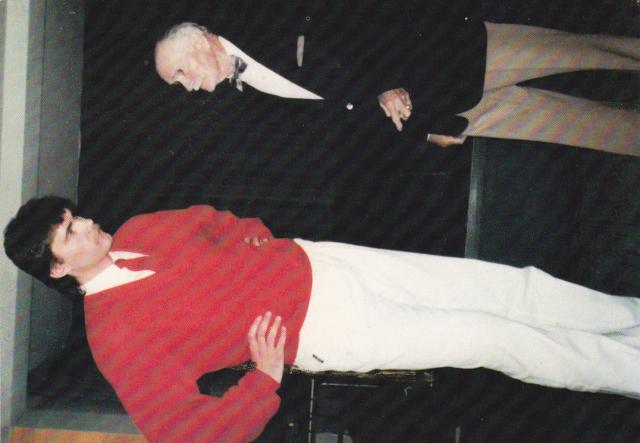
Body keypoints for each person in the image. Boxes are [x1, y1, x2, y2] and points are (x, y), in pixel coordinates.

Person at [5, 196, 640, 442]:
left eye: (74, 216)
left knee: (506, 286)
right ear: (57, 268)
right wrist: (262, 380)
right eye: (70, 232)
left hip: (326, 260)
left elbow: (213, 219)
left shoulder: (139, 229)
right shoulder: (113, 336)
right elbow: (180, 431)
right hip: (329, 330)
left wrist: (258, 239)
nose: (87, 223)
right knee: (491, 336)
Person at [154, 8, 640, 155]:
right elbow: (342, 121)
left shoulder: (263, 19)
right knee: (574, 127)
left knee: (588, 51)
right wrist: (423, 135)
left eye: (179, 74)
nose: (186, 86)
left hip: (447, 58)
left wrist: (384, 82)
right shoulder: (249, 100)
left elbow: (351, 24)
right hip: (437, 113)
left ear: (197, 43)